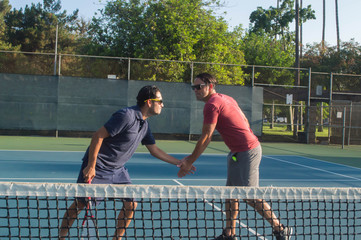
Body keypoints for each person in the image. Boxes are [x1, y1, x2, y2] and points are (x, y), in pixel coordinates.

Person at [59, 85, 194, 240]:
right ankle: (61, 237)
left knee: (131, 204)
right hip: (99, 167)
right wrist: (91, 165)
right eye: (160, 101)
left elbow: (154, 150)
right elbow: (98, 136)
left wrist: (179, 163)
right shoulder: (126, 116)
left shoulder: (144, 124)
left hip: (118, 171)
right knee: (80, 205)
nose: (162, 105)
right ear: (149, 102)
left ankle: (117, 238)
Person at [177, 73, 292, 240]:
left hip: (247, 151)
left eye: (199, 87)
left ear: (210, 86)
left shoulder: (212, 105)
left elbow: (206, 136)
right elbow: (244, 119)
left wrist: (189, 161)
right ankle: (229, 234)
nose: (196, 90)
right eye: (194, 87)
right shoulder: (225, 98)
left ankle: (280, 229)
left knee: (249, 196)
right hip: (237, 153)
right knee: (231, 194)